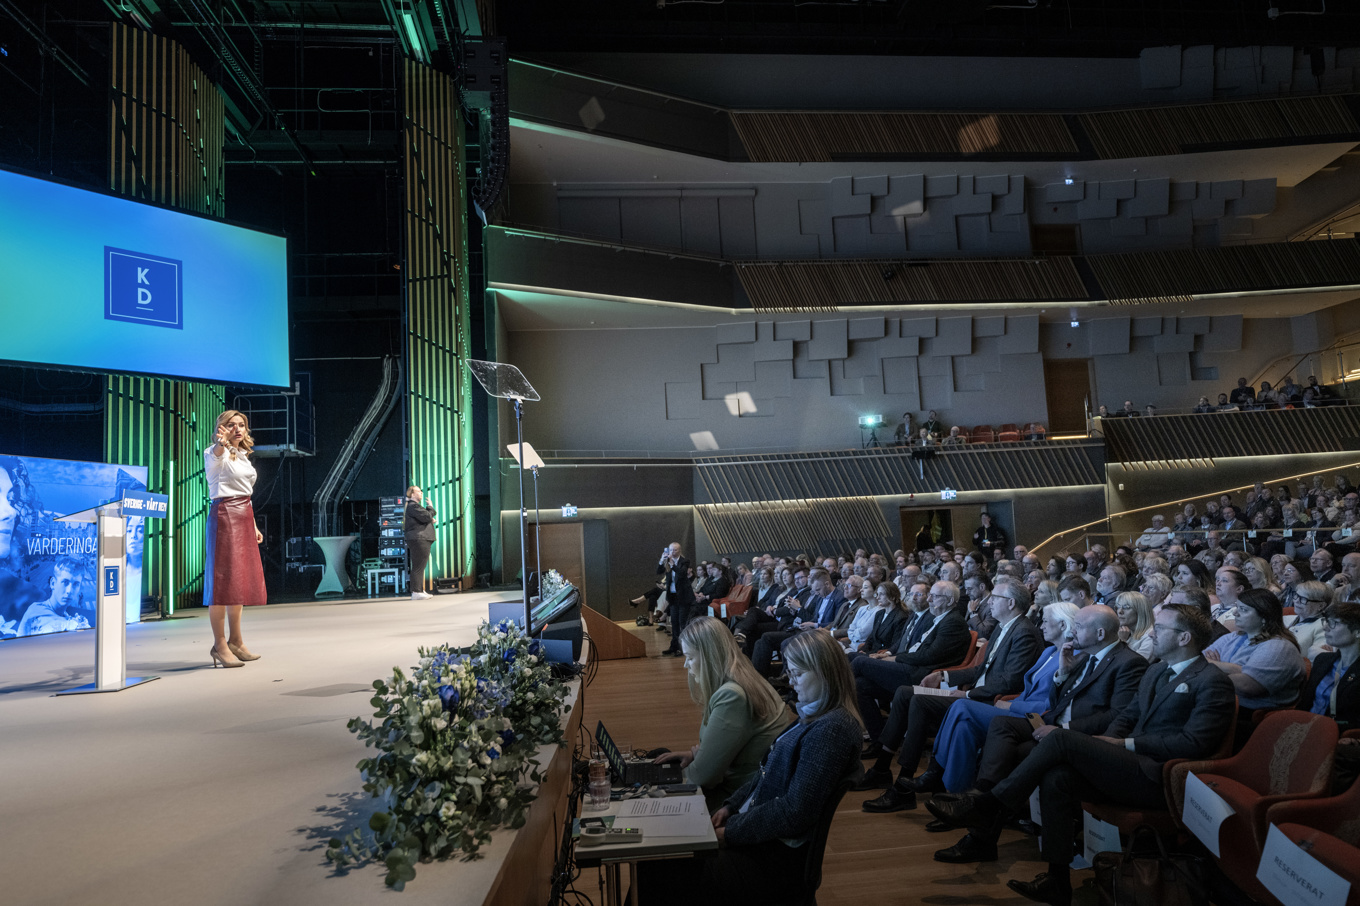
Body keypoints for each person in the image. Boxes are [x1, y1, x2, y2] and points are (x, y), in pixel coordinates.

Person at [927, 604, 1237, 905]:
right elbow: (1126, 717)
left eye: (1161, 628)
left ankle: (988, 803)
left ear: (1184, 638)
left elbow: (1194, 743)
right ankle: (1057, 880)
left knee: (1060, 739)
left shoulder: (1211, 681)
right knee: (1057, 777)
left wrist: (1122, 746)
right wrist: (1106, 743)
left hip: (1161, 775)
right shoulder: (1157, 671)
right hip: (1130, 763)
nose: (1152, 633)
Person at [637, 631, 863, 906]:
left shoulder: (831, 730)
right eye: (789, 673)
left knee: (658, 865)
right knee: (658, 857)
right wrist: (731, 806)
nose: (790, 682)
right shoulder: (815, 716)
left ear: (825, 673)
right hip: (759, 839)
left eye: (797, 674)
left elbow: (794, 811)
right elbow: (764, 773)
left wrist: (730, 832)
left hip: (771, 861)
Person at [857, 579, 1044, 806]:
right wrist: (944, 676)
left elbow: (1009, 682)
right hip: (972, 694)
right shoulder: (1004, 627)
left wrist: (966, 695)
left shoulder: (1024, 632)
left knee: (918, 700)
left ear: (1011, 603)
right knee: (906, 693)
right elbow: (980, 669)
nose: (990, 602)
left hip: (986, 701)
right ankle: (883, 767)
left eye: (995, 598)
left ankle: (903, 786)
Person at [654, 617, 793, 810]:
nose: (686, 665)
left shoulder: (731, 695)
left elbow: (703, 777)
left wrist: (698, 762)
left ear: (709, 656)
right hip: (753, 792)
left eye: (690, 657)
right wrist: (697, 756)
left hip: (737, 801)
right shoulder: (746, 676)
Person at [851, 580, 971, 742]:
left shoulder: (953, 622)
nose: (929, 600)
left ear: (949, 601)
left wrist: (893, 658)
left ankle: (830, 703)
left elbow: (929, 656)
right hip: (910, 667)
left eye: (934, 597)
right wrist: (890, 657)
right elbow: (915, 648)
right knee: (860, 685)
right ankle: (878, 740)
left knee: (859, 662)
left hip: (920, 675)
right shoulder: (941, 619)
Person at [204, 410, 267, 667]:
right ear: (221, 428)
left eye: (241, 425)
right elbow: (219, 455)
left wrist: (252, 524)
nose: (238, 429)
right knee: (222, 583)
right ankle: (219, 645)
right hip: (224, 515)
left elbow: (245, 493)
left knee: (238, 581)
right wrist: (222, 444)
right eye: (231, 425)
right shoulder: (213, 452)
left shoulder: (242, 456)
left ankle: (236, 641)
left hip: (243, 514)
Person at [1205, 587, 1308, 738]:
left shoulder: (1279, 647)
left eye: (1243, 610)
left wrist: (1214, 665)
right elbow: (1197, 662)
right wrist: (1236, 669)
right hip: (1222, 705)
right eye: (1236, 607)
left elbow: (1248, 685)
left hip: (1252, 722)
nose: (1235, 613)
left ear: (1264, 617)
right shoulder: (1234, 637)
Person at [1299, 600, 1360, 732]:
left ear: (1357, 632)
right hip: (1302, 727)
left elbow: (1355, 721)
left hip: (1334, 736)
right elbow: (1305, 702)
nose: (1326, 627)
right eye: (1326, 621)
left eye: (1334, 623)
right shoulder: (1323, 660)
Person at [16, 557, 90, 637]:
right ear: (53, 583)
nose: (69, 590)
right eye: (65, 582)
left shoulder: (71, 620)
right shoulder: (35, 610)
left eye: (76, 584)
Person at [659, 543, 697, 658]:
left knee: (682, 623)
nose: (673, 552)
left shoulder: (685, 561)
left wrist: (672, 563)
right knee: (674, 622)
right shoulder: (667, 561)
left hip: (684, 597)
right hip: (673, 597)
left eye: (675, 550)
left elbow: (681, 573)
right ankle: (674, 646)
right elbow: (658, 571)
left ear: (679, 550)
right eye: (671, 550)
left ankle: (683, 648)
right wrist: (662, 561)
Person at [403, 485, 436, 599]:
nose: (421, 492)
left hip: (420, 538)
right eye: (418, 491)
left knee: (420, 566)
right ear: (412, 494)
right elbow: (427, 516)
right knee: (418, 566)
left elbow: (424, 519)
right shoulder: (413, 506)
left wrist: (429, 519)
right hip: (419, 539)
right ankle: (416, 591)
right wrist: (430, 507)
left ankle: (419, 590)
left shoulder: (414, 507)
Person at [1113, 590, 1156, 660]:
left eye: (1126, 607)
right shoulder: (1125, 632)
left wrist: (1122, 642)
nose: (1120, 611)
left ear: (1140, 611)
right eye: (1118, 607)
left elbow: (1132, 665)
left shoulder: (1150, 637)